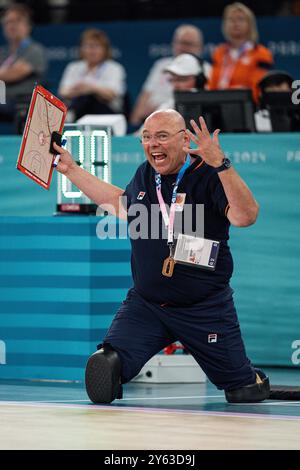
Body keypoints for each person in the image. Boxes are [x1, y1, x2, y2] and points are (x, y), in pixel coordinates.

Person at [53, 109, 270, 405]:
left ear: (184, 141)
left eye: (162, 136)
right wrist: (71, 170)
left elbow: (247, 216)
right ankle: (114, 365)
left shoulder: (208, 174)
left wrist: (221, 164)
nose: (153, 144)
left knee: (243, 392)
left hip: (204, 307)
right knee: (107, 362)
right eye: (146, 137)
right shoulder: (146, 174)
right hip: (147, 305)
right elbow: (120, 205)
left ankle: (249, 377)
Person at [130, 24, 211, 126]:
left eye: (182, 79)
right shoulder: (160, 65)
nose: (183, 47)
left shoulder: (207, 70)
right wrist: (135, 123)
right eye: (173, 79)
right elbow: (144, 98)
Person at [208, 2, 274, 102]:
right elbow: (212, 85)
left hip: (248, 106)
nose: (235, 23)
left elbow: (259, 87)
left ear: (250, 24)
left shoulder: (261, 53)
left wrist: (232, 93)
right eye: (231, 20)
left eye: (240, 19)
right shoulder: (219, 52)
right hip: (218, 106)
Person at [58, 28, 126, 121]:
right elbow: (63, 92)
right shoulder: (73, 67)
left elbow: (111, 94)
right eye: (88, 46)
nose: (92, 50)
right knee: (83, 98)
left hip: (106, 112)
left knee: (89, 98)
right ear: (81, 49)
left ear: (105, 49)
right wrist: (84, 90)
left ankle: (70, 117)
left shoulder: (114, 68)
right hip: (79, 107)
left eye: (97, 46)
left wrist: (90, 88)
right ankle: (70, 118)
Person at [0, 4, 47, 128]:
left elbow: (13, 74)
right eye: (8, 22)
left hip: (24, 102)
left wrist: (6, 72)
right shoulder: (2, 52)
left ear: (28, 26)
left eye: (17, 21)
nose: (12, 25)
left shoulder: (35, 50)